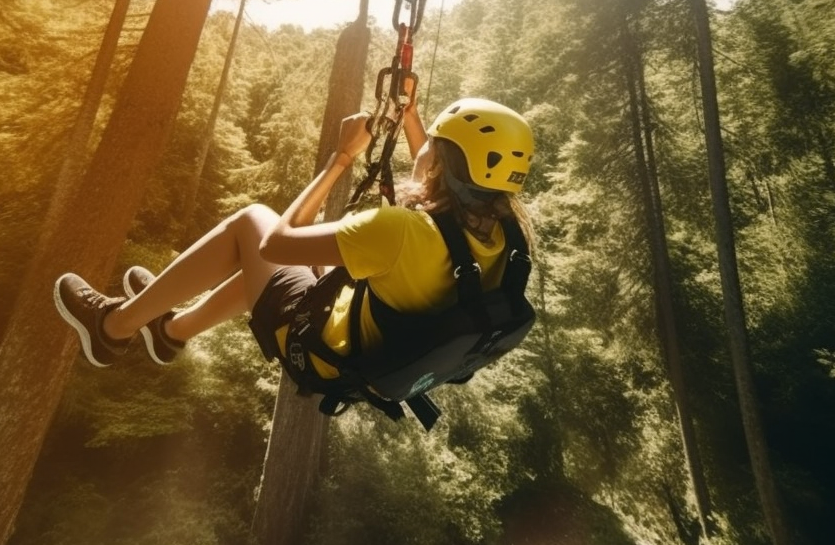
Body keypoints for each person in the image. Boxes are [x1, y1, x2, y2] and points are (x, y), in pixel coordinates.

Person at [53, 96, 536, 394]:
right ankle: (172, 331)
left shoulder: (399, 231)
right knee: (277, 273)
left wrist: (341, 157)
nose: (422, 147)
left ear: (441, 162)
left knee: (254, 225)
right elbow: (431, 175)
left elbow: (278, 246)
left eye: (432, 142)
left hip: (321, 343)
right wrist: (411, 116)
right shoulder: (503, 237)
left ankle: (112, 327)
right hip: (367, 349)